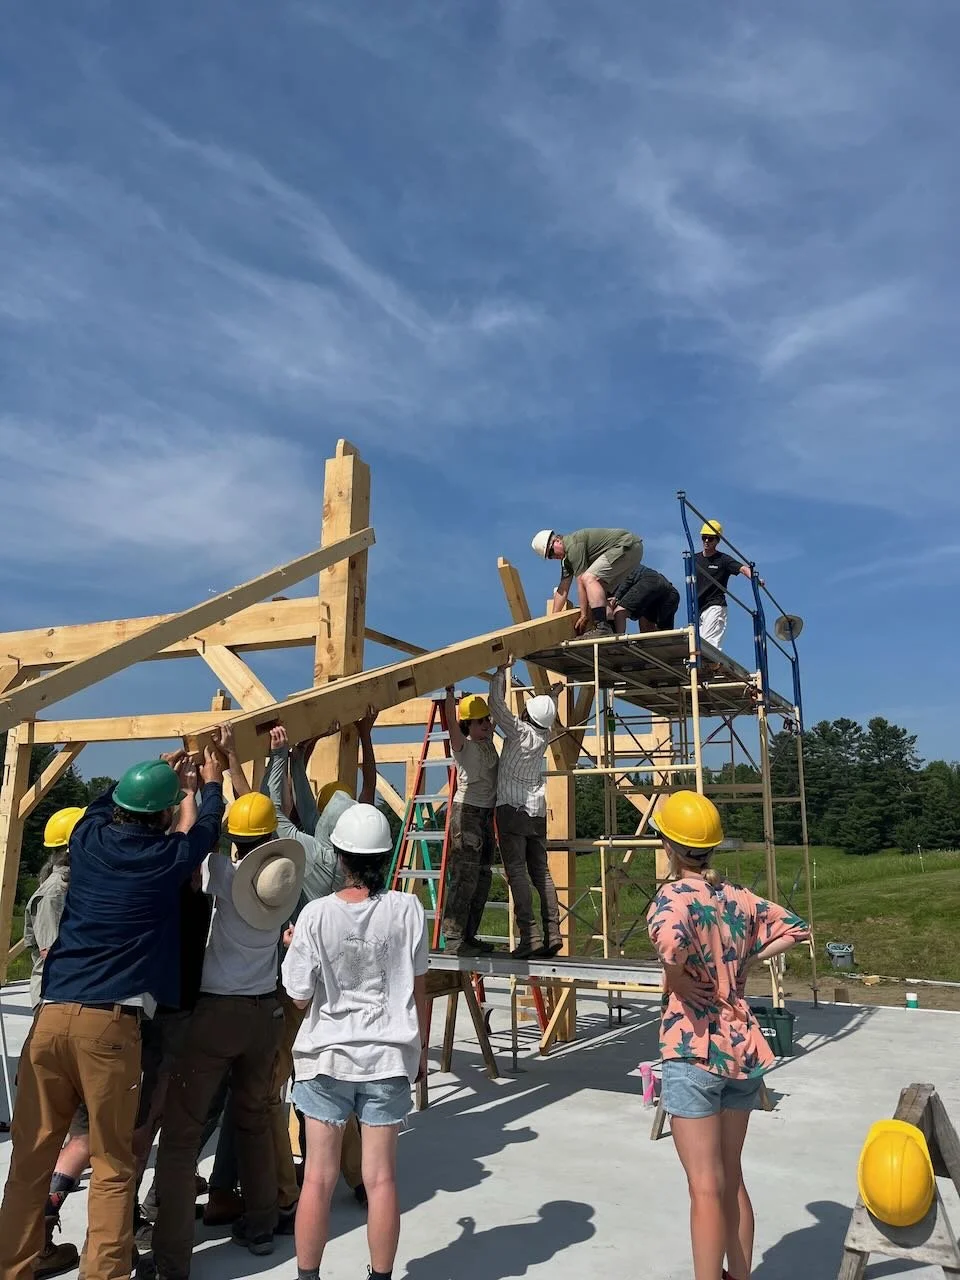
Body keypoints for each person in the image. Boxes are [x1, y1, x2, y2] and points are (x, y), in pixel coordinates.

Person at [0, 751, 225, 1280]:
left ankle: (12, 1266)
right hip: (110, 1025)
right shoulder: (168, 860)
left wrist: (152, 767)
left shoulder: (87, 841)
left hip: (50, 1017)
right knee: (113, 1164)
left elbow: (93, 810)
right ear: (167, 815)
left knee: (31, 1159)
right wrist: (209, 785)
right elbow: (208, 831)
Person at [646, 791, 809, 1280]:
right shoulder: (737, 898)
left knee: (703, 1187)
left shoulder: (672, 897)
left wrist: (675, 978)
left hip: (693, 1047)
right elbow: (797, 927)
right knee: (731, 1177)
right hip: (740, 1045)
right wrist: (746, 960)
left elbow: (669, 942)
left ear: (671, 846)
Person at [150, 796, 305, 1274]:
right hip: (264, 1013)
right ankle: (260, 1226)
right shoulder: (280, 883)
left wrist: (197, 787)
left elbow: (190, 843)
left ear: (236, 840)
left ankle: (171, 1258)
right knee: (255, 1119)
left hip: (216, 1011)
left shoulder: (225, 873)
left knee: (180, 1137)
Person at [281, 803, 429, 1280]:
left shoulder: (315, 915)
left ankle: (308, 1275)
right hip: (388, 1058)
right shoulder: (408, 908)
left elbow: (299, 996)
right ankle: (381, 1275)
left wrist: (294, 946)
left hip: (325, 1060)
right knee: (381, 1179)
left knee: (318, 1180)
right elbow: (418, 988)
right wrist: (420, 1051)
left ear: (339, 858)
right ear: (385, 857)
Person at [261, 714, 380, 1209]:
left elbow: (274, 811)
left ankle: (287, 1185)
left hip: (300, 980)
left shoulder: (310, 852)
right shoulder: (358, 858)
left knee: (277, 1081)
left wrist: (277, 757)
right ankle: (354, 1175)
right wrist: (356, 741)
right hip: (344, 984)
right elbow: (355, 800)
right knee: (337, 1082)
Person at [21, 806, 88, 1280]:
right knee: (82, 1133)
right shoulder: (57, 893)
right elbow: (54, 952)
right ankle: (40, 1231)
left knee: (64, 1129)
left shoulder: (66, 888)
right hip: (62, 1010)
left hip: (57, 1013)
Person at [488, 662, 563, 960]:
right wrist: (553, 696)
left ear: (527, 715)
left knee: (517, 872)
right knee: (541, 873)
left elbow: (496, 705)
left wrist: (501, 671)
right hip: (536, 813)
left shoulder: (519, 732)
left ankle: (529, 936)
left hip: (512, 810)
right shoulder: (543, 735)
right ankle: (553, 933)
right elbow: (544, 713)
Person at [439, 686, 499, 958]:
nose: (486, 724)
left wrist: (502, 673)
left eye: (487, 719)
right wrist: (451, 697)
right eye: (480, 721)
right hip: (467, 814)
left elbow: (500, 709)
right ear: (468, 725)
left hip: (486, 814)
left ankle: (469, 935)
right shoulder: (463, 747)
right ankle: (453, 938)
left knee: (482, 877)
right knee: (465, 877)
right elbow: (452, 724)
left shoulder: (488, 743)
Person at [532, 527, 643, 640]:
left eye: (551, 552)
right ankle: (610, 628)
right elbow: (562, 590)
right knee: (597, 588)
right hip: (632, 550)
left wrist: (584, 615)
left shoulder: (573, 545)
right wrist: (552, 621)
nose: (553, 557)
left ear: (557, 541)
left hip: (626, 546)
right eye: (550, 557)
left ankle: (602, 627)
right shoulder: (567, 561)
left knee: (588, 578)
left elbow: (581, 581)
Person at [695, 521, 756, 651]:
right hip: (699, 608)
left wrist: (755, 578)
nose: (706, 540)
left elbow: (743, 568)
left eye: (710, 538)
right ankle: (707, 667)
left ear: (717, 541)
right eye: (704, 537)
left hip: (715, 605)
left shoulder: (723, 559)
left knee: (707, 643)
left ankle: (711, 667)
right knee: (696, 643)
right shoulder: (694, 559)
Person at [609, 565, 680, 634]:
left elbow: (626, 579)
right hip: (670, 593)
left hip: (651, 584)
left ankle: (617, 643)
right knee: (652, 631)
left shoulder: (618, 571)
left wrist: (616, 597)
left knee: (619, 612)